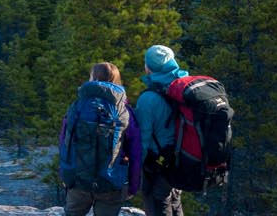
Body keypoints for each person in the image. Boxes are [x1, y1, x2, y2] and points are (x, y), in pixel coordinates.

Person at [59, 62, 142, 216]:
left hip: (78, 181)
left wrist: (65, 174)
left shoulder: (77, 106)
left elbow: (65, 142)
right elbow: (136, 152)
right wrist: (133, 185)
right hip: (111, 182)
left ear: (93, 78)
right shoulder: (125, 112)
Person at [136, 45, 188, 216]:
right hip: (182, 157)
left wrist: (136, 169)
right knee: (174, 200)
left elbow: (142, 138)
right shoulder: (182, 86)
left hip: (158, 162)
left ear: (148, 66)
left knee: (158, 201)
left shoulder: (148, 98)